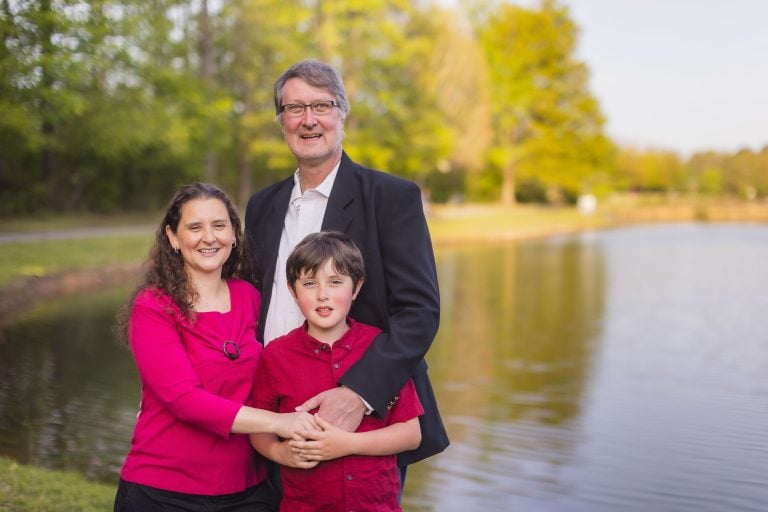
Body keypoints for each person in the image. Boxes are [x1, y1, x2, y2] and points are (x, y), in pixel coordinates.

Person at [244, 59, 449, 483]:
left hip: (362, 416)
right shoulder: (261, 206)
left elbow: (419, 312)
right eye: (293, 108)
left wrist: (358, 394)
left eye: (321, 105)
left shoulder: (392, 197)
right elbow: (248, 303)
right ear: (281, 119)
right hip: (274, 415)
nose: (308, 120)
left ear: (342, 113)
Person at [114, 182, 317, 512]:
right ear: (173, 238)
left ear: (234, 235)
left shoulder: (250, 298)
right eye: (195, 227)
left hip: (249, 489)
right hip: (164, 491)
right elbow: (184, 400)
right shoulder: (153, 306)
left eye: (219, 225)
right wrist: (279, 423)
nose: (209, 237)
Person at [250, 231, 423, 511]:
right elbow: (259, 428)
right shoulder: (275, 356)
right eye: (309, 283)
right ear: (293, 292)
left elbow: (411, 434)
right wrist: (278, 452)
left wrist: (347, 444)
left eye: (335, 282)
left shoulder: (380, 349)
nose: (322, 295)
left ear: (356, 288)